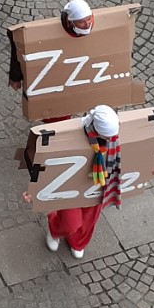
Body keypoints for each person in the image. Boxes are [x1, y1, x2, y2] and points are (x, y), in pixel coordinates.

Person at [42, 104, 121, 261]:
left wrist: (150, 169)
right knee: (70, 222)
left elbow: (129, 157)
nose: (110, 140)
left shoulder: (112, 138)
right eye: (106, 137)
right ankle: (55, 228)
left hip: (97, 184)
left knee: (88, 220)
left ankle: (77, 242)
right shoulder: (73, 135)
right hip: (73, 186)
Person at [8, 0, 95, 92]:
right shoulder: (45, 33)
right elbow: (19, 47)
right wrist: (15, 76)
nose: (87, 24)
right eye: (81, 22)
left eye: (88, 19)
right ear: (71, 22)